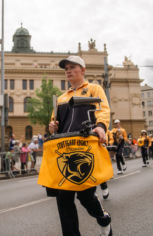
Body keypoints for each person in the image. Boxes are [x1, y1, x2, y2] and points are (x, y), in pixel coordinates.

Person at [48, 56, 112, 236]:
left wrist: (100, 127)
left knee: (85, 196)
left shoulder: (94, 89)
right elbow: (54, 123)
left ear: (82, 70)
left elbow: (103, 110)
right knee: (63, 199)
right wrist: (52, 126)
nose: (68, 71)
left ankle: (103, 218)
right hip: (65, 152)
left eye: (72, 67)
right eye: (66, 68)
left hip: (86, 149)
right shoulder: (61, 98)